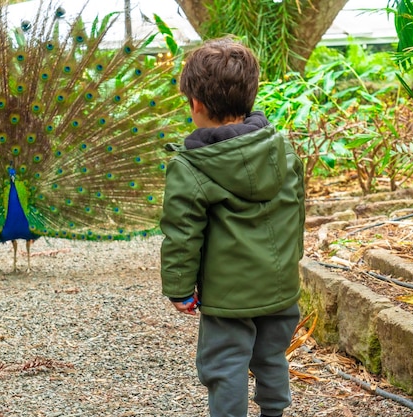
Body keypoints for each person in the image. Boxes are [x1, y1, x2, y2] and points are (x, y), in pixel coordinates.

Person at [160, 37, 305, 417]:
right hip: (280, 288)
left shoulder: (190, 167)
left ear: (196, 104)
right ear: (249, 97)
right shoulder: (283, 149)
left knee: (225, 366)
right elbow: (294, 213)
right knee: (271, 356)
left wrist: (179, 288)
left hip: (229, 299)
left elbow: (182, 233)